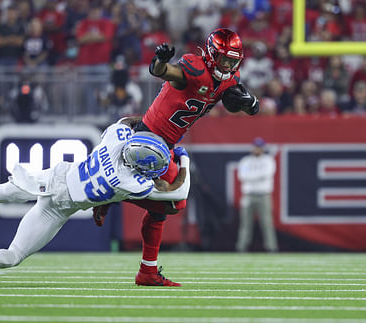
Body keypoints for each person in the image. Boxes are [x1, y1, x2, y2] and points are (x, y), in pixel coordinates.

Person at [0, 119, 191, 283]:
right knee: (12, 257)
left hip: (54, 176)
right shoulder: (131, 182)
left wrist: (147, 127)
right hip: (59, 208)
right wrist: (185, 159)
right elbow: (178, 192)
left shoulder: (115, 139)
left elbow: (128, 122)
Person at [94, 28, 259, 286]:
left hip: (166, 145)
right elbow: (161, 71)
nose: (228, 65)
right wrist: (161, 60)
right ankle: (114, 195)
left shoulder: (229, 78)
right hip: (149, 140)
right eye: (224, 59)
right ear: (212, 55)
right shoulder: (194, 67)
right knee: (174, 202)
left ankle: (146, 269)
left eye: (232, 60)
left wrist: (250, 102)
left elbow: (249, 104)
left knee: (163, 209)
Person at [236, 137, 278, 253]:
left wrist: (251, 177)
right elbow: (241, 176)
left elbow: (266, 174)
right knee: (245, 223)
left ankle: (271, 247)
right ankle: (241, 247)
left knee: (266, 223)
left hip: (263, 195)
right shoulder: (245, 161)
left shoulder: (268, 160)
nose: (257, 149)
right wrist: (256, 176)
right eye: (256, 146)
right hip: (248, 195)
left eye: (259, 147)